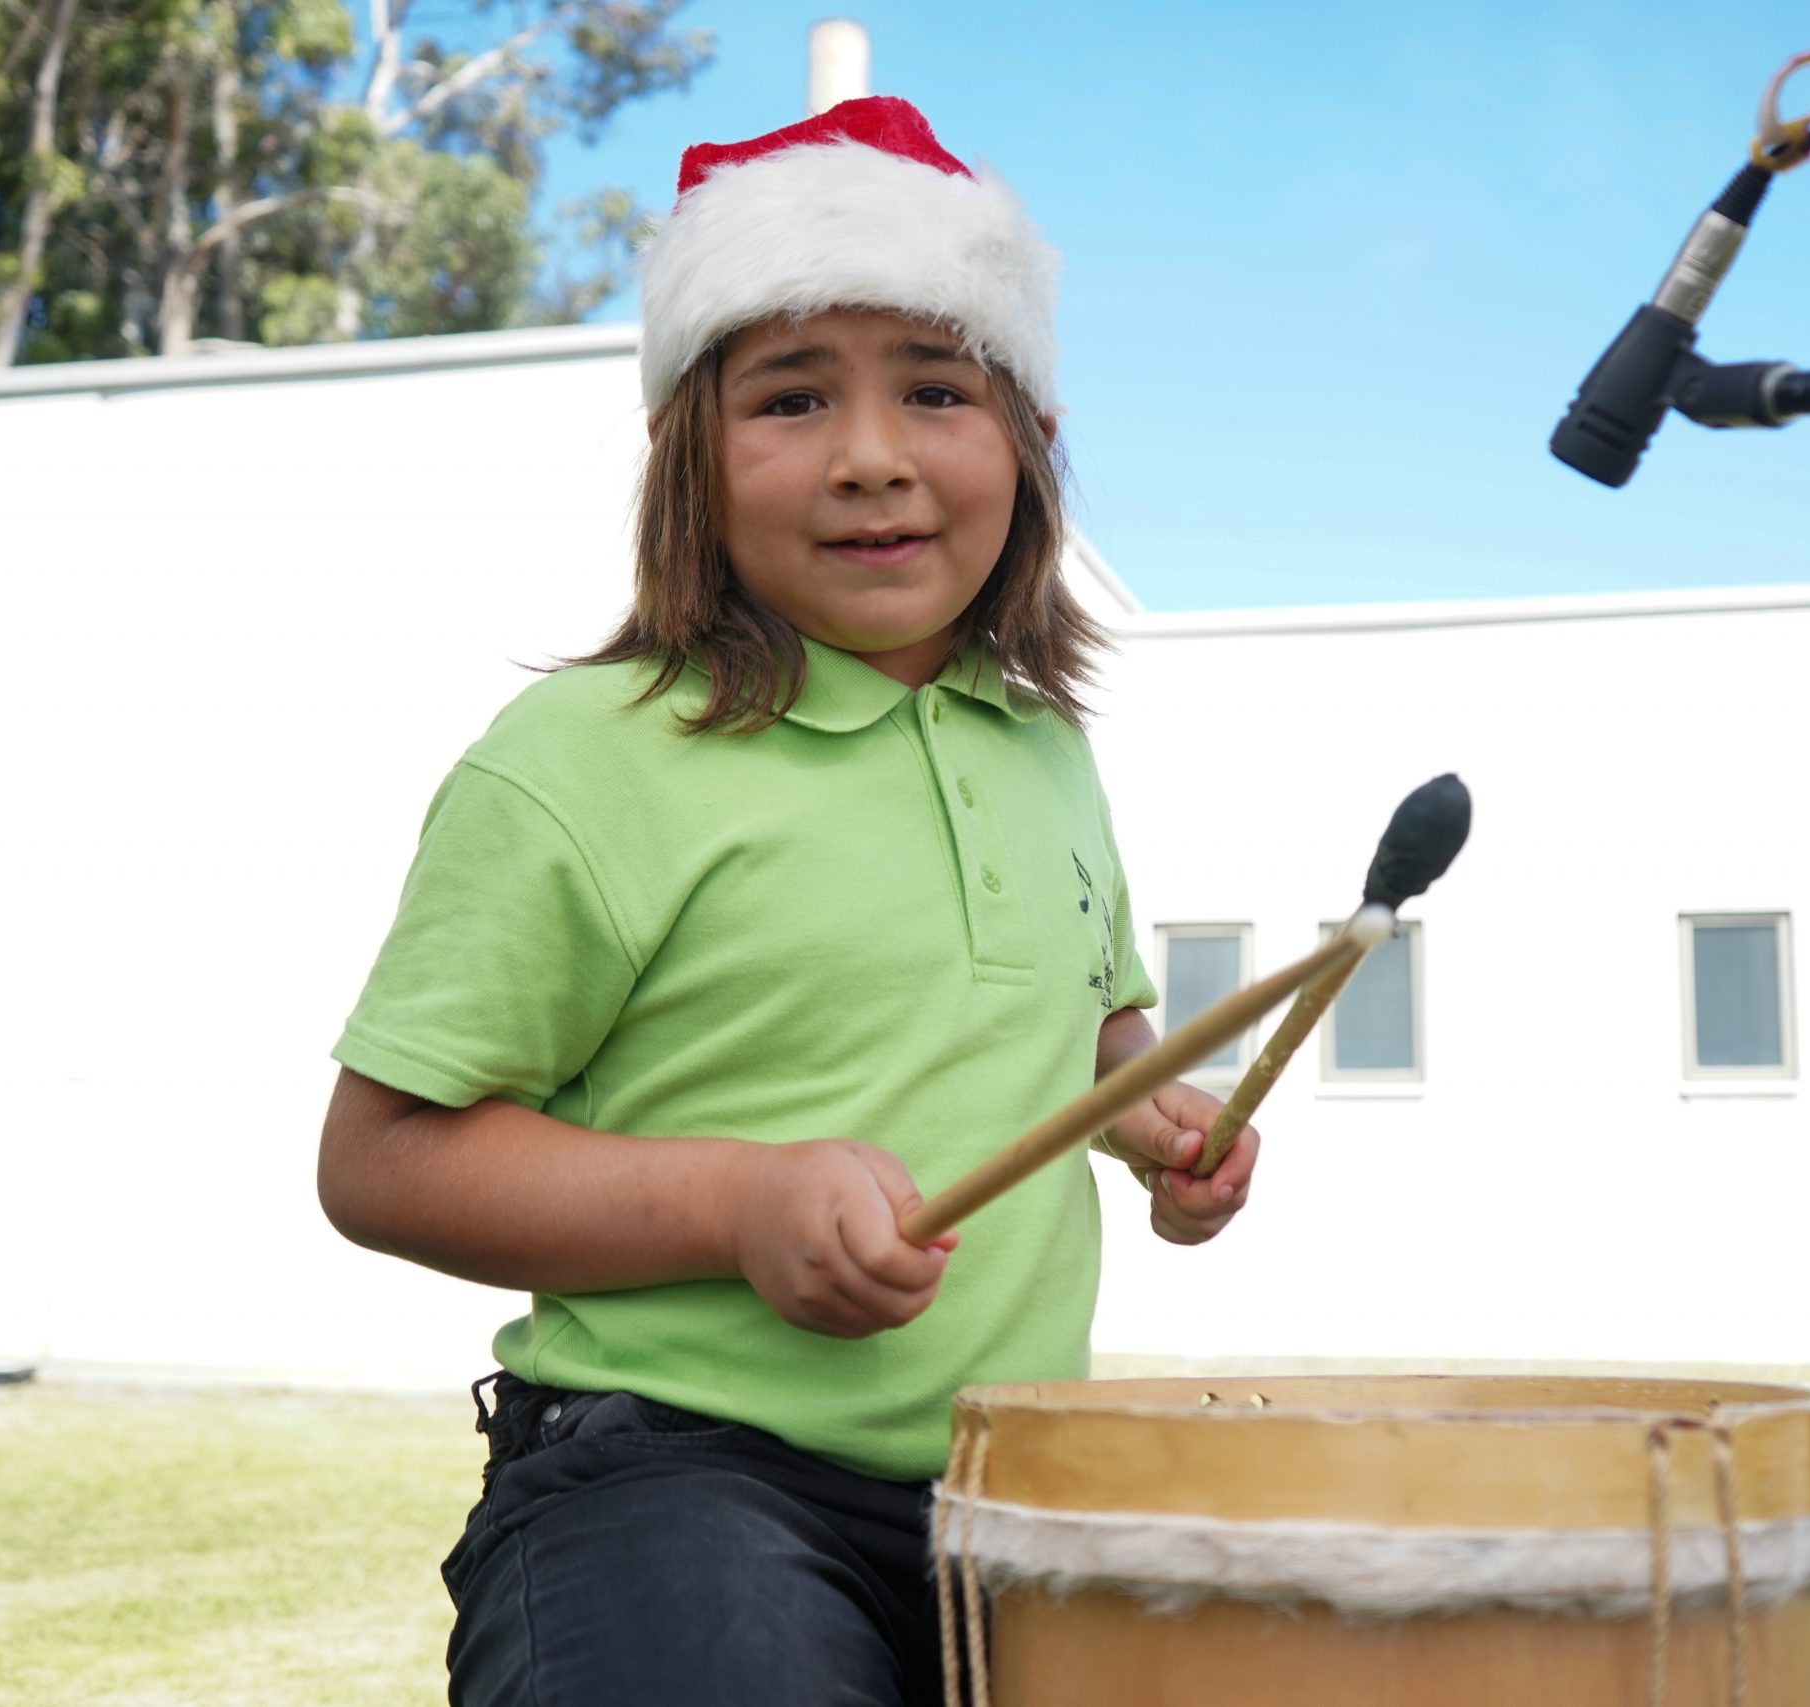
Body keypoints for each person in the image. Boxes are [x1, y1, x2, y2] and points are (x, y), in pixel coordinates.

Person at [314, 96, 1262, 1707]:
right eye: (793, 396)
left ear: (1028, 447)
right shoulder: (587, 754)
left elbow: (1087, 1031)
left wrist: (1159, 1119)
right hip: (669, 1481)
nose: (872, 455)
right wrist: (738, 1207)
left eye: (937, 389)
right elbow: (381, 1161)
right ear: (694, 455)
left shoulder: (1045, 753)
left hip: (1013, 1502)